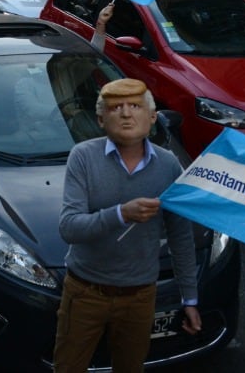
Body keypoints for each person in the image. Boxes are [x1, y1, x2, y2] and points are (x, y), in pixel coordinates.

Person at [54, 76, 201, 371]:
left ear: (152, 116)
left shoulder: (169, 164)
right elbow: (69, 227)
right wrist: (121, 213)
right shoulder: (82, 157)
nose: (125, 113)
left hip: (140, 296)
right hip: (85, 292)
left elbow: (180, 237)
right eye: (115, 107)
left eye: (135, 105)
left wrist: (190, 298)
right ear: (100, 120)